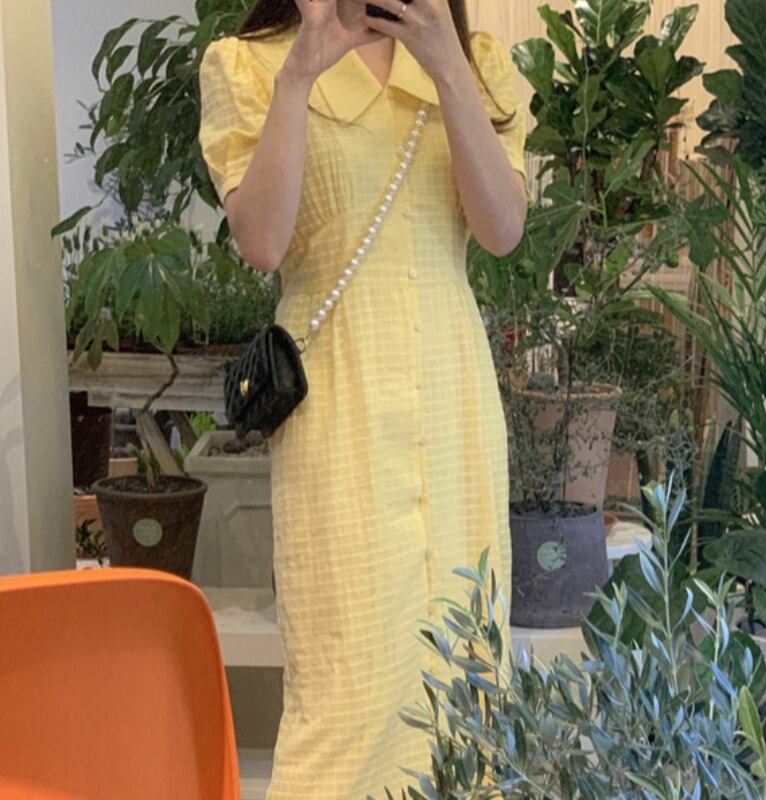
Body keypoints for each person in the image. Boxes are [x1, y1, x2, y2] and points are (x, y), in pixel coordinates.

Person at [198, 1, 528, 797]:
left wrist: (447, 67)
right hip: (338, 402)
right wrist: (299, 77)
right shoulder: (249, 64)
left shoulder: (477, 60)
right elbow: (262, 243)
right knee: (347, 672)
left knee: (466, 665)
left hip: (452, 399)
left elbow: (501, 229)